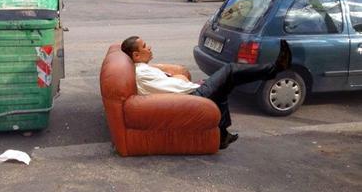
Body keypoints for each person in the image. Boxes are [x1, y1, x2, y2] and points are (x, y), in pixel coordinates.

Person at [121, 36, 292, 150]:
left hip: (191, 92)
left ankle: (222, 136)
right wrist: (191, 84)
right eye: (144, 46)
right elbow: (171, 90)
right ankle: (276, 67)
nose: (149, 47)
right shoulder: (141, 73)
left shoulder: (142, 69)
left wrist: (186, 81)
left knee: (225, 86)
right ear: (136, 55)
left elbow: (167, 83)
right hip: (192, 97)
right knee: (230, 70)